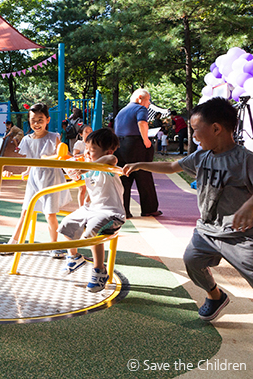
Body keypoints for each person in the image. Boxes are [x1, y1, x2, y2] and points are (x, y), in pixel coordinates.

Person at [124, 97, 253, 321]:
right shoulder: (201, 156)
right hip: (207, 231)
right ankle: (215, 296)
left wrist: (248, 206)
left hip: (239, 236)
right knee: (192, 261)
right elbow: (173, 166)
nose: (192, 135)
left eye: (195, 129)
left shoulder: (244, 160)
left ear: (216, 128)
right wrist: (141, 165)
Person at [58, 128, 125, 292]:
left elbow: (112, 158)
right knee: (66, 224)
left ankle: (99, 270)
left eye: (92, 150)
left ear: (106, 151)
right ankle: (74, 257)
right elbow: (92, 188)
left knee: (91, 232)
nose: (86, 153)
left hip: (111, 212)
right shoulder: (90, 169)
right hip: (93, 209)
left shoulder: (107, 167)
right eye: (86, 149)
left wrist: (87, 167)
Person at [3, 103, 71, 258]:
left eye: (40, 119)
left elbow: (62, 155)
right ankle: (13, 243)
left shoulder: (54, 137)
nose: (36, 123)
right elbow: (29, 159)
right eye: (33, 120)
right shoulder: (27, 139)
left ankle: (54, 245)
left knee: (50, 214)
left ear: (47, 119)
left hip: (51, 178)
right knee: (25, 211)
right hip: (34, 178)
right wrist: (22, 171)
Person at [113, 88, 161, 218]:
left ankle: (124, 210)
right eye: (148, 100)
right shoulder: (140, 109)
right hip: (135, 144)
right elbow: (142, 123)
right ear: (140, 98)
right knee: (144, 175)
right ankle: (149, 208)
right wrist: (146, 140)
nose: (149, 103)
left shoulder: (121, 111)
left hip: (120, 145)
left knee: (124, 177)